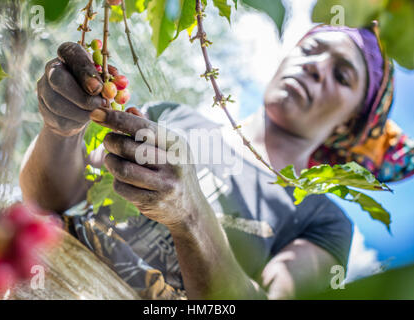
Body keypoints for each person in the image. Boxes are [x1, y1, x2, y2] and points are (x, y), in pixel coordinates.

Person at [20, 22, 406, 299]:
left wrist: (189, 214)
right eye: (309, 50)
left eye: (341, 75)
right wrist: (61, 131)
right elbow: (53, 199)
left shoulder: (323, 219)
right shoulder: (172, 117)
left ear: (348, 126)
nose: (316, 67)